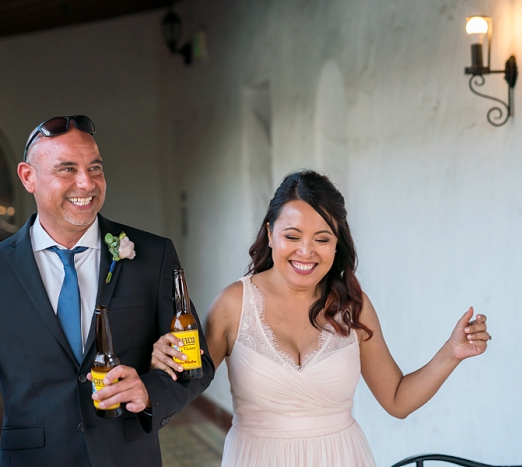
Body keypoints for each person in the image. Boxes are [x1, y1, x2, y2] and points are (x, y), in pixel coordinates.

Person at [0, 115, 214, 466]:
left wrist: (149, 391)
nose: (86, 183)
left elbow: (197, 363)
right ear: (29, 177)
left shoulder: (153, 256)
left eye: (95, 168)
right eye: (67, 169)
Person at [150, 170, 490, 466]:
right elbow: (183, 386)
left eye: (322, 239)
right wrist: (161, 362)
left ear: (337, 242)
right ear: (270, 234)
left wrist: (450, 353)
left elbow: (397, 400)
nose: (305, 251)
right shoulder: (234, 304)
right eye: (292, 236)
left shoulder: (353, 306)